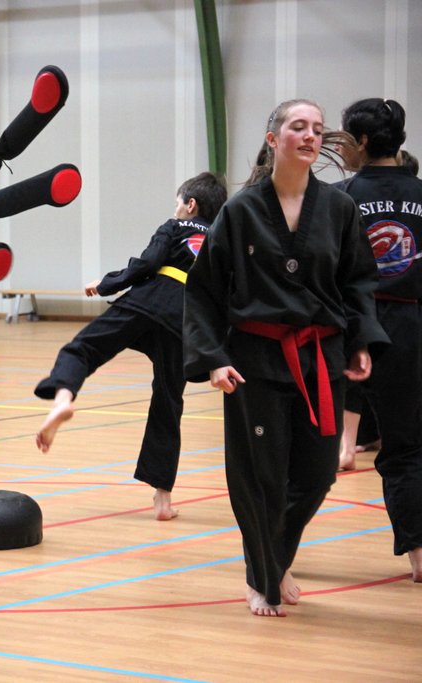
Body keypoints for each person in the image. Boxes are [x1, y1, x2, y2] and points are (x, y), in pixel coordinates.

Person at [184, 99, 387, 617]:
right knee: (261, 474)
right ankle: (263, 573)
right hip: (254, 356)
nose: (310, 135)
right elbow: (205, 290)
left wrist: (361, 341)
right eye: (298, 126)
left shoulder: (339, 209)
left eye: (318, 129)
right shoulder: (242, 210)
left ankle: (276, 553)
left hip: (321, 354)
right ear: (273, 139)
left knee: (318, 472)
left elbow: (359, 280)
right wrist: (212, 357)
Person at [34, 172, 227, 521]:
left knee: (83, 349)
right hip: (185, 322)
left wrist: (107, 283)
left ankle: (63, 402)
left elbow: (149, 264)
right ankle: (163, 500)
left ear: (190, 205)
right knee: (168, 402)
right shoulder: (219, 239)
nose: (176, 208)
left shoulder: (174, 225)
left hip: (148, 302)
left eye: (178, 202)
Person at [335, 98, 422, 581]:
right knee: (407, 447)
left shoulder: (338, 196)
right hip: (411, 327)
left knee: (304, 451)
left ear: (362, 142)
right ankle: (418, 557)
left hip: (349, 327)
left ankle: (273, 563)